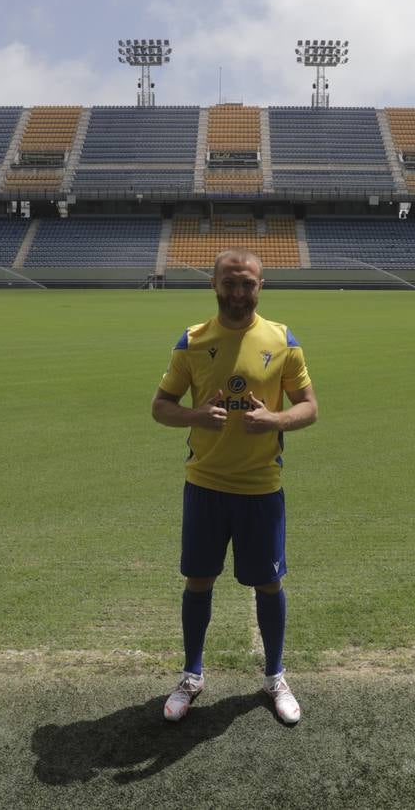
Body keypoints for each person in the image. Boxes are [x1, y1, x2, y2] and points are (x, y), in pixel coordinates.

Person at [150, 248, 319, 725]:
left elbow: (309, 406)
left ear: (260, 286)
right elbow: (160, 406)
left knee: (268, 582)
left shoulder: (282, 339)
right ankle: (191, 676)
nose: (239, 292)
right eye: (230, 282)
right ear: (215, 285)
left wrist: (277, 419)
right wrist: (195, 414)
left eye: (248, 283)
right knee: (198, 579)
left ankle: (275, 677)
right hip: (205, 483)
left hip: (261, 486)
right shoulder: (192, 341)